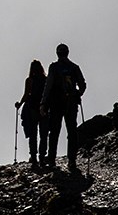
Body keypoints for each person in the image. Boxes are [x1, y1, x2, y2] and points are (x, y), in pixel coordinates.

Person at [40, 43, 86, 173]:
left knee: (54, 131)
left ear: (57, 53)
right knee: (72, 131)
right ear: (67, 52)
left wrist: (43, 103)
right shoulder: (75, 67)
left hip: (56, 103)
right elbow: (82, 85)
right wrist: (77, 93)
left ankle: (52, 159)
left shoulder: (54, 67)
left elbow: (48, 86)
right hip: (71, 103)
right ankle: (72, 160)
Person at [15, 59, 47, 169]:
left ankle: (33, 157)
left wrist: (19, 104)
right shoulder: (45, 80)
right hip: (44, 109)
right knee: (43, 134)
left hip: (32, 108)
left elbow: (26, 94)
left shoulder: (29, 80)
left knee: (33, 134)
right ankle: (42, 156)